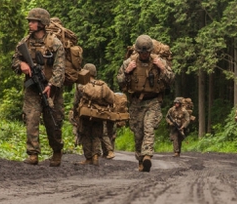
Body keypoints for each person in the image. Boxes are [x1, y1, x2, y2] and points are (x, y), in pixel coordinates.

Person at [11, 8, 65, 166]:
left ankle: (57, 151)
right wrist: (21, 64)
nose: (30, 23)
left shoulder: (55, 43)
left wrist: (51, 84)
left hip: (51, 90)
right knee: (31, 118)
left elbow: (60, 69)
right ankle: (33, 153)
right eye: (29, 21)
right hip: (32, 88)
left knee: (53, 121)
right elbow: (14, 60)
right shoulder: (25, 42)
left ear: (42, 23)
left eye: (33, 21)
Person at [117, 34, 174, 172]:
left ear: (150, 51)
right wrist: (127, 72)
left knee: (149, 128)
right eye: (141, 52)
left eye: (147, 52)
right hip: (136, 102)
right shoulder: (129, 63)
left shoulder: (159, 62)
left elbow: (170, 80)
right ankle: (141, 160)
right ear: (137, 51)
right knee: (138, 134)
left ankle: (147, 155)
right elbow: (120, 82)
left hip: (153, 101)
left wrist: (162, 68)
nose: (144, 55)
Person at [73, 63, 114, 166]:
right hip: (99, 114)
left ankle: (88, 158)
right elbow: (111, 99)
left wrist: (75, 114)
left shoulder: (81, 85)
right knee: (96, 135)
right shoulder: (101, 85)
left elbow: (76, 102)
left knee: (85, 134)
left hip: (85, 114)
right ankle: (95, 156)